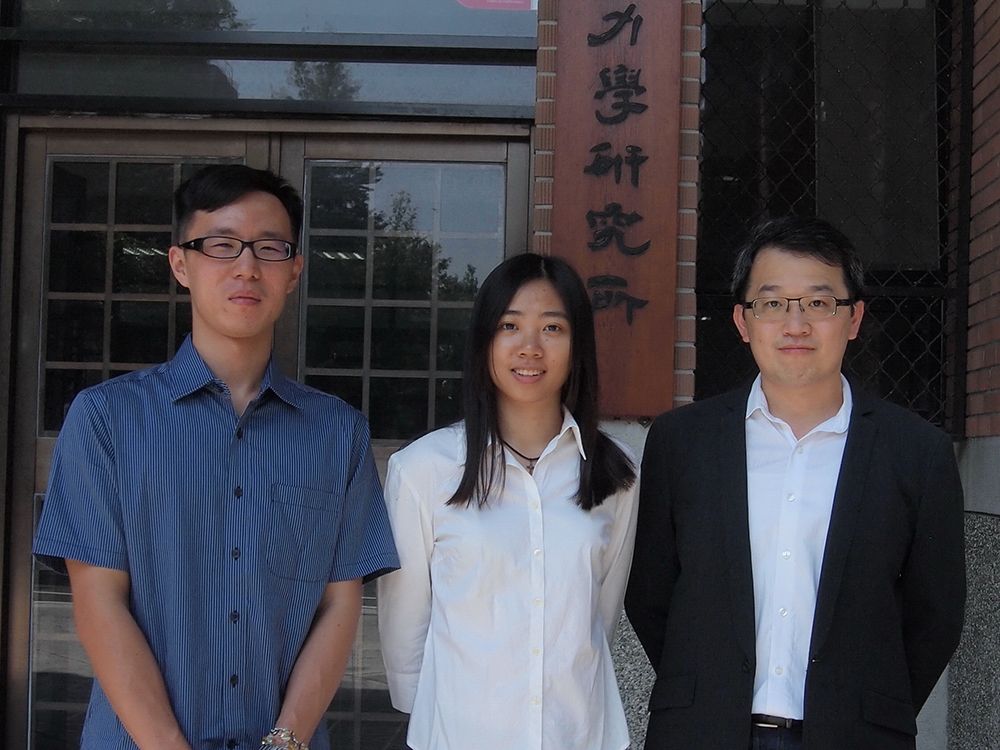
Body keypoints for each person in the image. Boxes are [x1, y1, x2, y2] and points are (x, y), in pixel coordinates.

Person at [33, 164, 399, 750]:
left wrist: (285, 740)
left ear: (294, 271)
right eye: (222, 245)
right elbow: (99, 602)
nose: (247, 267)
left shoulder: (338, 432)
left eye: (270, 248)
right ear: (181, 264)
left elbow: (340, 603)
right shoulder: (106, 419)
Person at [625, 216, 966, 750]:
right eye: (773, 303)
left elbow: (935, 615)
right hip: (701, 731)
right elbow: (650, 594)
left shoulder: (916, 452)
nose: (796, 324)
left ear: (854, 318)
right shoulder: (681, 443)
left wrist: (868, 706)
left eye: (818, 303)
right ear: (743, 321)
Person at [377, 253, 639, 750]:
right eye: (509, 326)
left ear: (578, 345)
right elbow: (405, 626)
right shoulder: (423, 469)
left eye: (552, 328)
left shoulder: (616, 472)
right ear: (484, 341)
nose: (530, 348)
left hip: (578, 735)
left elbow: (599, 614)